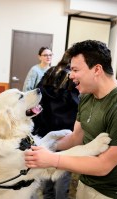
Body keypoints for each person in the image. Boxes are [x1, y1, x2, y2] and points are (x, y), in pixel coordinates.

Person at [25, 40, 117, 199]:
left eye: (75, 69)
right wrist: (41, 146)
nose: (70, 75)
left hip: (112, 194)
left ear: (97, 69)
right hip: (85, 184)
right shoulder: (86, 97)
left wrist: (52, 159)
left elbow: (103, 166)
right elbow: (76, 138)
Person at [32, 51, 79, 199]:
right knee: (63, 171)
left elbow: (38, 99)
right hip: (66, 132)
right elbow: (76, 105)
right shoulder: (73, 78)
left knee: (47, 166)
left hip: (46, 129)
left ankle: (47, 196)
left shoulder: (50, 72)